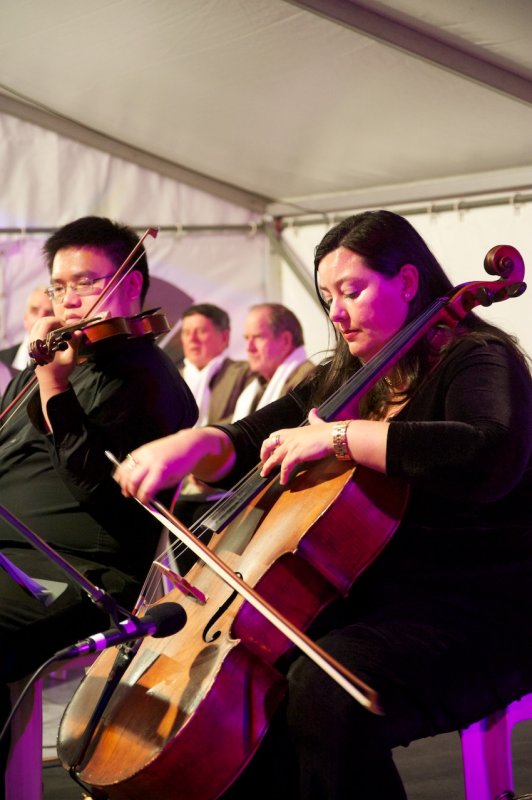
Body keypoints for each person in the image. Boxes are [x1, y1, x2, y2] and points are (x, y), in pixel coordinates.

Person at [114, 210, 532, 800]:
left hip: (478, 609)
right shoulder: (345, 376)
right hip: (376, 600)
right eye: (327, 297)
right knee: (253, 689)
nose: (335, 313)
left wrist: (340, 437)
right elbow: (247, 440)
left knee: (323, 691)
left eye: (352, 292)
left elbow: (487, 455)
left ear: (408, 282)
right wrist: (190, 446)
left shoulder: (477, 356)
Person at [0, 216, 197, 795]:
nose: (67, 300)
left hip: (71, 571)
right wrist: (45, 377)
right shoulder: (54, 355)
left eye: (85, 283)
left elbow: (99, 491)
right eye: (59, 287)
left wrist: (55, 388)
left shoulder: (147, 378)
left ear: (131, 286)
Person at [230, 302, 315, 420]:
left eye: (258, 337)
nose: (249, 347)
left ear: (285, 340)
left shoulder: (308, 380)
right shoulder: (256, 386)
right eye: (247, 338)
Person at [179, 303, 252, 425]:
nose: (192, 339)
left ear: (224, 337)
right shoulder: (172, 378)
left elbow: (247, 417)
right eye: (186, 333)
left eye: (201, 331)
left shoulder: (246, 373)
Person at [0, 286, 53, 372]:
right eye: (34, 311)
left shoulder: (63, 366)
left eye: (49, 313)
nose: (40, 317)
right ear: (25, 318)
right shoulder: (1, 359)